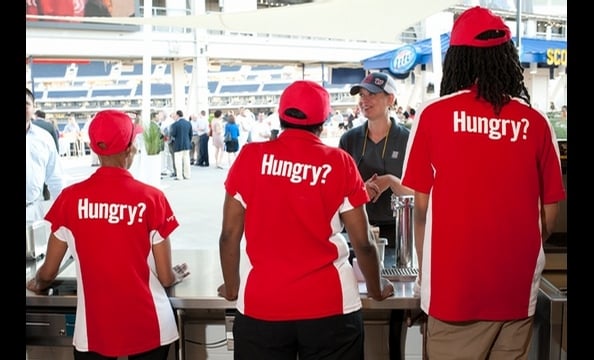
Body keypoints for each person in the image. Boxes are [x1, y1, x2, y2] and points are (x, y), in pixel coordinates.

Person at [401, 7, 566, 360]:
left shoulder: (434, 116)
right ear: (508, 58)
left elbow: (421, 210)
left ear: (457, 58)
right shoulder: (537, 124)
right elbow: (548, 220)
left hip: (452, 293)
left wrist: (424, 279)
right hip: (516, 292)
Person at [217, 80, 394, 360]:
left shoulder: (251, 157)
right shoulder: (339, 162)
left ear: (281, 115)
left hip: (263, 304)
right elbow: (363, 242)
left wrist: (231, 288)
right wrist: (376, 288)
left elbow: (229, 235)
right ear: (323, 121)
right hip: (331, 307)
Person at [26, 109, 190, 360]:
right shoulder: (151, 198)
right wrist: (173, 275)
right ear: (129, 149)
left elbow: (48, 271)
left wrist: (38, 282)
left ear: (94, 148)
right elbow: (165, 277)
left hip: (94, 331)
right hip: (150, 327)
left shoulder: (70, 200)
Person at [338, 72, 413, 360]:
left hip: (397, 234)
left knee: (395, 303)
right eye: (362, 95)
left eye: (372, 94)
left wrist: (391, 180)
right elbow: (337, 189)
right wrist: (360, 189)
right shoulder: (350, 139)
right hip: (356, 232)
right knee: (354, 299)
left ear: (390, 99)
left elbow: (419, 191)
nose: (364, 100)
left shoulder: (407, 139)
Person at [26, 88, 66, 223]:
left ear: (33, 107)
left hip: (33, 212)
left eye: (26, 104)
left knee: (35, 245)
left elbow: (55, 177)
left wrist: (63, 210)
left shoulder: (44, 138)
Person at [169, 110, 193, 180]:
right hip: (186, 144)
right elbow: (190, 134)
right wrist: (188, 141)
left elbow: (172, 134)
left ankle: (179, 176)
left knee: (178, 161)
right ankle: (187, 175)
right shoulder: (188, 123)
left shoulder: (175, 124)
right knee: (187, 160)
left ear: (177, 115)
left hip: (178, 145)